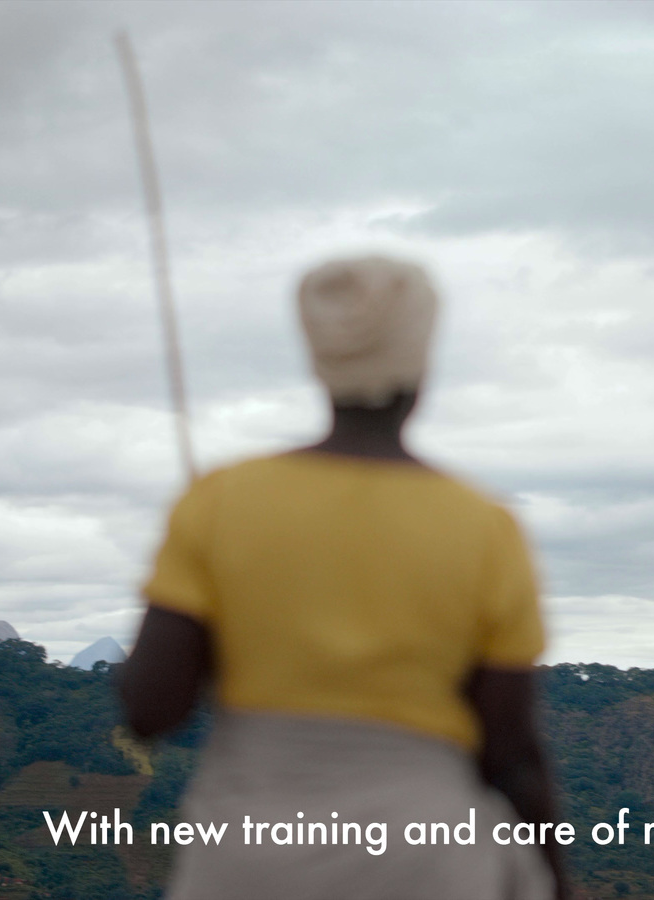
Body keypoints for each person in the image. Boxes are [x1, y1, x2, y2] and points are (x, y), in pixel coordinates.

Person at [120, 256, 567, 900]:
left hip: (253, 860)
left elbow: (150, 709)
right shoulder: (485, 526)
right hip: (425, 860)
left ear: (318, 360)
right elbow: (513, 753)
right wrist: (556, 883)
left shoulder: (221, 500)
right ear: (422, 363)